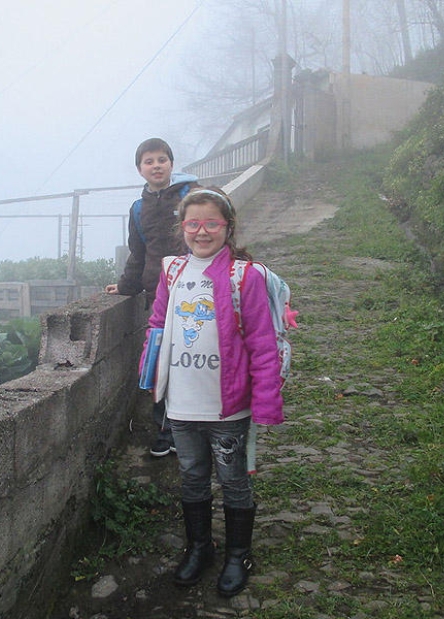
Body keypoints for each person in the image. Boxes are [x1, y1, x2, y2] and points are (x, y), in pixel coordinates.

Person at [142, 186, 284, 597]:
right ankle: (199, 547)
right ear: (182, 227)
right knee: (191, 477)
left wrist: (265, 400)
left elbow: (262, 342)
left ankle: (239, 554)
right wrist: (151, 374)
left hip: (227, 406)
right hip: (182, 403)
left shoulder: (245, 276)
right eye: (193, 224)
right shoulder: (172, 271)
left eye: (211, 223)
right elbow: (157, 324)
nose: (201, 232)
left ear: (228, 226)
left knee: (234, 480)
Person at [106, 138, 198, 458]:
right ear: (139, 169)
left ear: (171, 163)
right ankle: (165, 430)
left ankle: (192, 427)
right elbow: (138, 253)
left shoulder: (192, 195)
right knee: (161, 363)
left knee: (193, 361)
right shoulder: (138, 208)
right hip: (159, 296)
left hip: (195, 294)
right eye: (149, 161)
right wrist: (126, 286)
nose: (156, 166)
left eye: (162, 159)